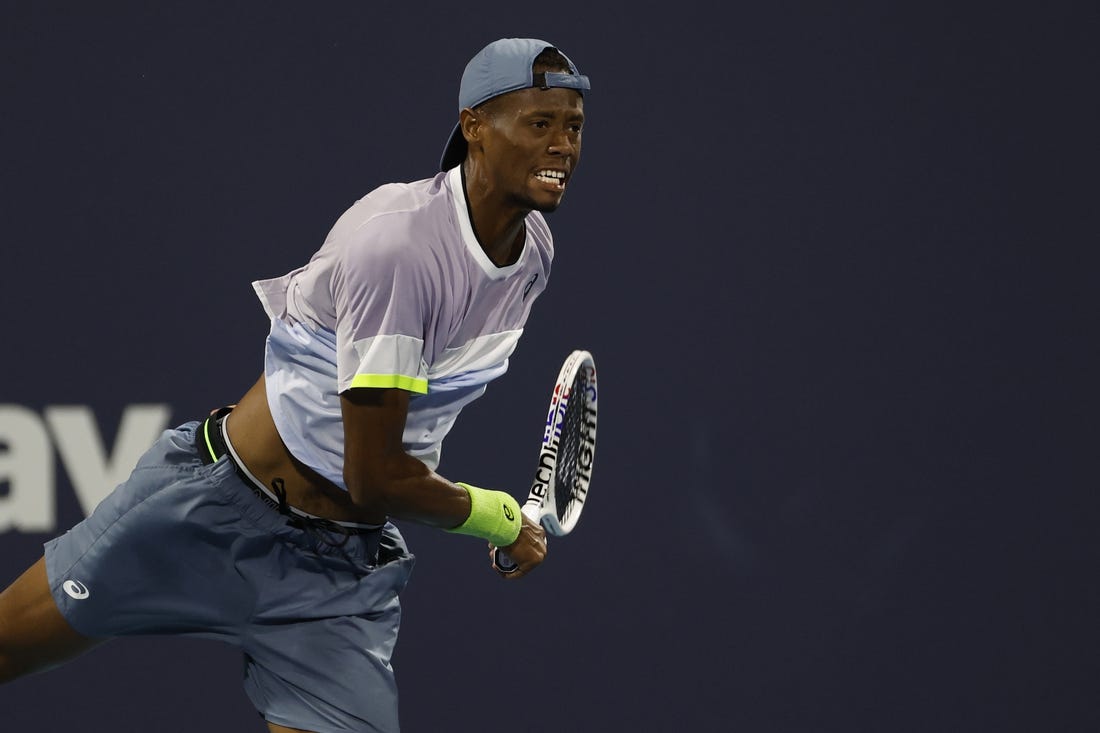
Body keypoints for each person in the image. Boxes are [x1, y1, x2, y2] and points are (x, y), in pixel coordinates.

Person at [0, 37, 589, 733]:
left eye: (574, 127)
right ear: (474, 128)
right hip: (213, 514)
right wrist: (496, 517)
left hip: (337, 577)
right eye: (539, 124)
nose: (562, 146)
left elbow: (402, 446)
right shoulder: (398, 247)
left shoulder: (534, 256)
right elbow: (372, 473)